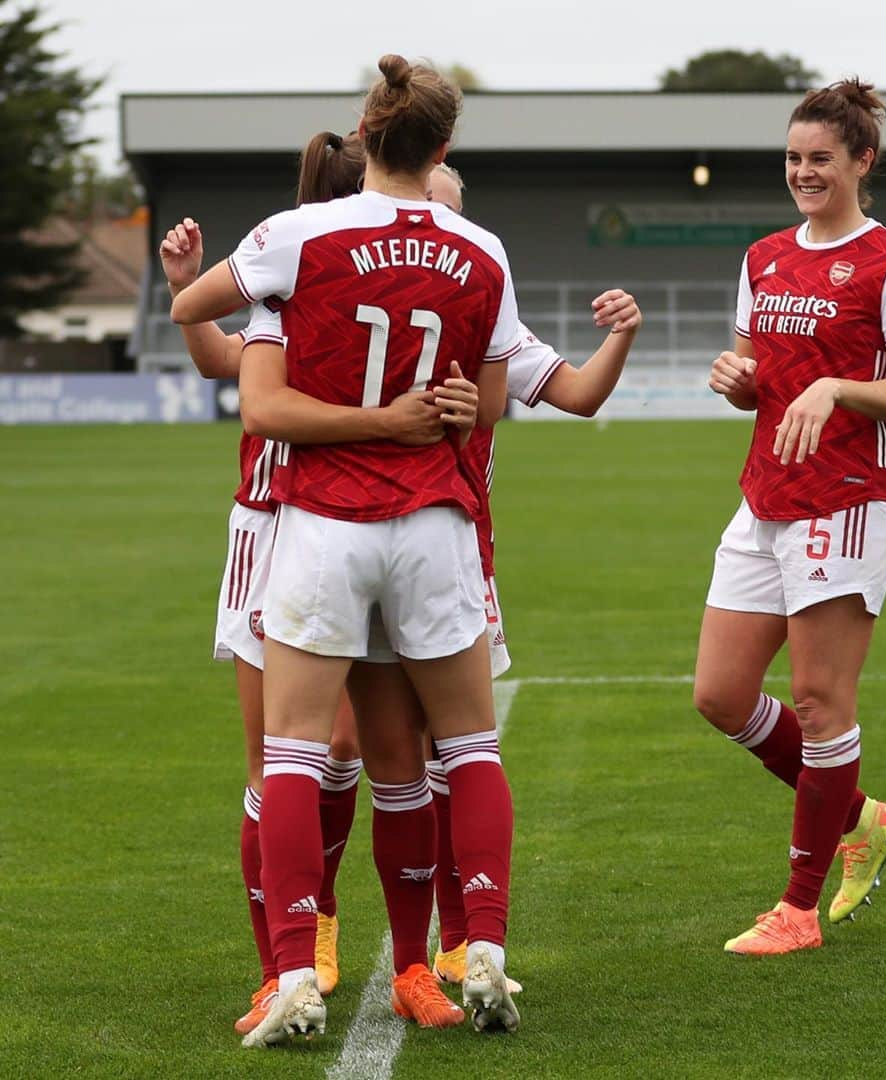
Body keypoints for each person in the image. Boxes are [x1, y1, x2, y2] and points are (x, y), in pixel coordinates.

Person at [172, 54, 522, 1045]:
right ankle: (481, 943)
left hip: (324, 524)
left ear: (365, 134)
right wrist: (439, 406)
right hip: (438, 527)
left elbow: (197, 311)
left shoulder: (295, 236)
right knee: (466, 746)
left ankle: (291, 973)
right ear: (443, 147)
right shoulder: (483, 250)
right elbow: (487, 404)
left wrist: (271, 295)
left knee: (290, 753)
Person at [696, 78, 886, 956]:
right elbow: (759, 375)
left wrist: (836, 386)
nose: (803, 172)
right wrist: (740, 382)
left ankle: (798, 909)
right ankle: (862, 817)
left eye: (820, 159)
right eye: (794, 158)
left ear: (861, 162)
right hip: (765, 496)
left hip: (849, 502)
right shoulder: (763, 257)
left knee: (820, 700)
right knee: (719, 696)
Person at [422, 163, 642, 984]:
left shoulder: (489, 320)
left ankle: (453, 941)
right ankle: (319, 938)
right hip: (353, 549)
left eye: (452, 210)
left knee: (450, 754)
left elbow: (579, 394)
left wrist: (620, 334)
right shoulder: (347, 294)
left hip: (456, 558)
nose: (439, 225)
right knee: (342, 754)